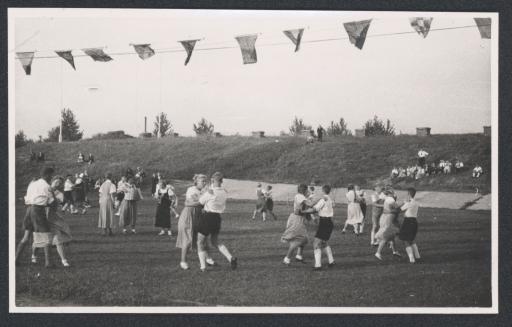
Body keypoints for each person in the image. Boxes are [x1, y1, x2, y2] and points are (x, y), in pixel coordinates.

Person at [196, 172, 238, 272]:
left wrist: (205, 193)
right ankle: (230, 258)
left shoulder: (211, 191)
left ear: (213, 180)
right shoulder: (224, 191)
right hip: (217, 218)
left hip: (207, 217)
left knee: (200, 242)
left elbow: (200, 202)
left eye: (211, 180)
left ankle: (203, 267)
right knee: (215, 241)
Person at [20, 167, 55, 268]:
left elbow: (26, 198)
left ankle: (16, 259)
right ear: (48, 175)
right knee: (47, 235)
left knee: (26, 236)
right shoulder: (46, 186)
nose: (51, 178)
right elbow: (52, 202)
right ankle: (48, 263)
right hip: (38, 210)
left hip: (29, 209)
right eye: (51, 176)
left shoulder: (32, 184)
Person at [176, 174, 211, 270]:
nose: (204, 183)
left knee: (202, 238)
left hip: (199, 215)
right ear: (196, 182)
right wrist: (202, 201)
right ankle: (183, 261)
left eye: (205, 181)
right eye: (202, 181)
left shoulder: (204, 191)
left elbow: (205, 202)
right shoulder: (191, 189)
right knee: (188, 239)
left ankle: (208, 259)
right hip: (189, 215)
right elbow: (189, 202)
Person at [281, 184, 313, 266]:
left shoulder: (302, 197)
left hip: (299, 219)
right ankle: (287, 259)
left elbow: (306, 209)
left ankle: (299, 256)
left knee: (304, 238)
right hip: (296, 219)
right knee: (297, 240)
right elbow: (309, 204)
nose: (308, 191)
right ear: (304, 190)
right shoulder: (299, 196)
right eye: (307, 190)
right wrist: (319, 199)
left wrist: (311, 218)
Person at [311, 185, 336, 270]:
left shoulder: (323, 199)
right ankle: (331, 261)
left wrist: (304, 211)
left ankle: (318, 265)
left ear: (322, 190)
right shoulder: (329, 198)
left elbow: (314, 209)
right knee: (324, 242)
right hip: (329, 222)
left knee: (316, 243)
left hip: (324, 222)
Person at [374, 190, 402, 260]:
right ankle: (378, 252)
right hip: (388, 219)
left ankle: (395, 251)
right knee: (386, 236)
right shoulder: (390, 199)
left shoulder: (387, 199)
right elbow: (397, 209)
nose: (395, 195)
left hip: (385, 218)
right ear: (390, 194)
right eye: (393, 193)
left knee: (391, 236)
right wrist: (404, 203)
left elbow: (390, 209)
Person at [399, 188, 421, 264]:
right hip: (414, 221)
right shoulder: (416, 202)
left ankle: (411, 258)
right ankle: (417, 255)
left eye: (406, 194)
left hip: (408, 222)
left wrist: (403, 202)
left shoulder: (409, 203)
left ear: (408, 194)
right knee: (411, 239)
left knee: (405, 240)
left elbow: (399, 209)